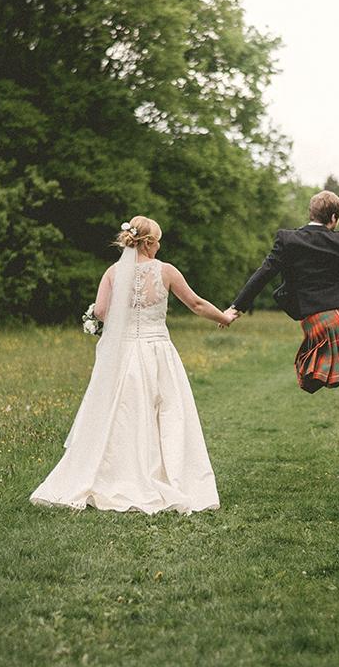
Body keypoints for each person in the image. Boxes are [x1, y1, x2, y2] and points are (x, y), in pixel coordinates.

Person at [30, 216, 232, 514]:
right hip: (156, 351)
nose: (159, 245)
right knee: (166, 412)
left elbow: (100, 311)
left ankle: (110, 475)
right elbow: (196, 304)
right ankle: (163, 477)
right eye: (158, 240)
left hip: (123, 354)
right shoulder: (165, 271)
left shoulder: (113, 273)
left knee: (120, 412)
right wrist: (224, 318)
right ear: (149, 243)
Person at [223, 190, 339, 393]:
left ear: (311, 214)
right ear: (333, 217)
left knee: (310, 379)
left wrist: (235, 307)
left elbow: (263, 273)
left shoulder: (287, 239)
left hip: (314, 319)